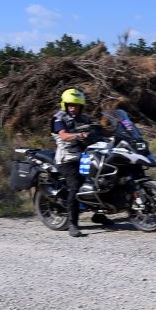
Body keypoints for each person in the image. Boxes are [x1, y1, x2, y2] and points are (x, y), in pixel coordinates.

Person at [51, 88, 95, 237]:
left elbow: (95, 131)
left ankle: (99, 214)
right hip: (67, 159)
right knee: (75, 186)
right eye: (70, 105)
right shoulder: (59, 118)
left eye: (76, 105)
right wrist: (78, 135)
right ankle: (72, 223)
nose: (73, 108)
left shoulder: (84, 118)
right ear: (65, 104)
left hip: (84, 157)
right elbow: (63, 136)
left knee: (99, 179)